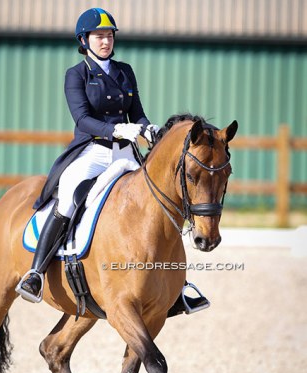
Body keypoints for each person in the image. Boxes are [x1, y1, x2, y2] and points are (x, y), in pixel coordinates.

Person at [16, 7, 209, 316]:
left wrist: (148, 128)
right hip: (92, 152)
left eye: (109, 36)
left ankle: (179, 284)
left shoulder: (125, 71)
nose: (105, 41)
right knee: (68, 197)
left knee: (162, 200)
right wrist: (117, 129)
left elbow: (138, 112)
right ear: (85, 40)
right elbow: (82, 119)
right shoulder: (76, 75)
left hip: (125, 153)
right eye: (99, 36)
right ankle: (36, 273)